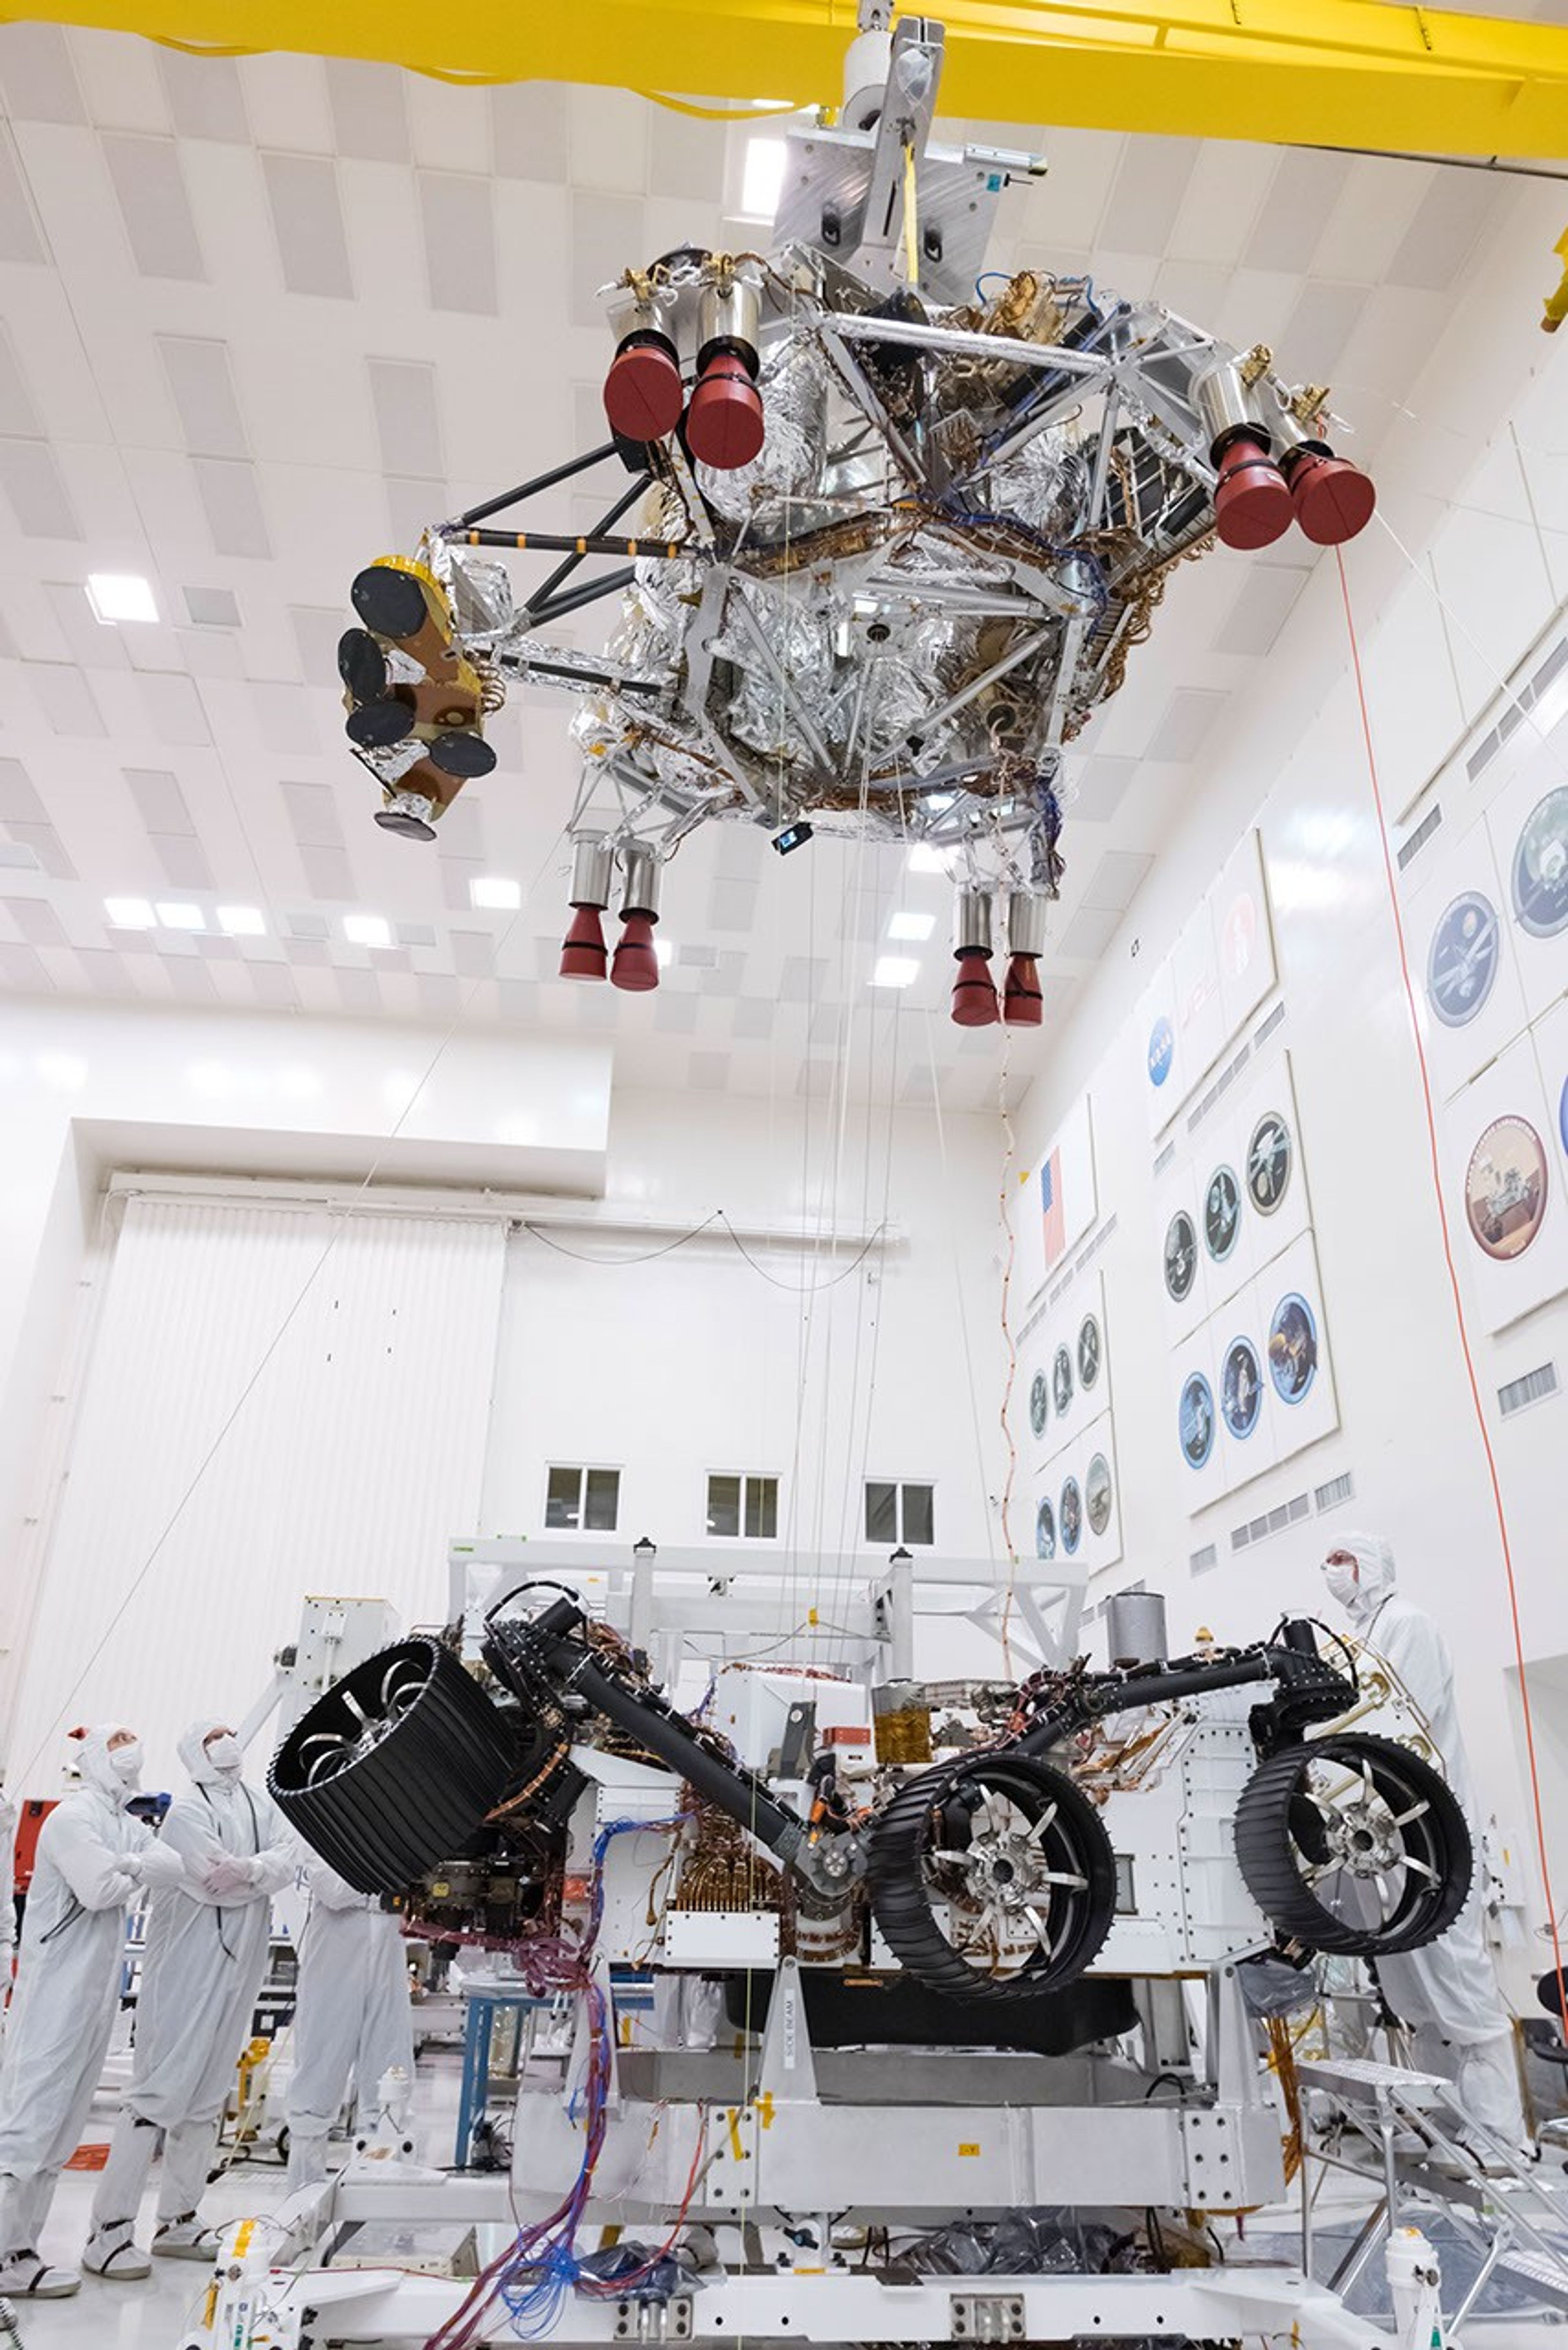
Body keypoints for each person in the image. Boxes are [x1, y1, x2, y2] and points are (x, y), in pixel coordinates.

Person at [1322, 1530, 1527, 2147]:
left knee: (1455, 1976)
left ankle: (1500, 2132)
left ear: (1373, 1565)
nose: (1330, 1570)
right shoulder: (1362, 1637)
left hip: (1428, 1832)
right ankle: (1449, 2120)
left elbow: (1391, 1719)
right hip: (1382, 1832)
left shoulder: (1407, 1624)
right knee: (1413, 1987)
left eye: (1341, 1559)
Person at [83, 1721, 297, 2278]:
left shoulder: (258, 1801)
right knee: (156, 2093)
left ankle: (179, 2218)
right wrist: (258, 1874)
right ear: (193, 1750)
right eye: (214, 1736)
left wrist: (249, 1870)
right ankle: (108, 2232)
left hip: (238, 1966)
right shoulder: (186, 1812)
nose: (227, 1742)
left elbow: (287, 1858)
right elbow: (206, 1879)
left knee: (206, 2099)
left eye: (230, 1733)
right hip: (185, 1968)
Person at [0, 1727, 187, 2297]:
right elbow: (100, 1889)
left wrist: (126, 1861)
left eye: (136, 1737)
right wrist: (134, 1864)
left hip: (93, 1996)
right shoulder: (72, 1818)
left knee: (61, 2132)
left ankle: (22, 2250)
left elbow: (172, 1864)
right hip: (55, 1993)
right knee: (31, 2123)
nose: (132, 1748)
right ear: (93, 1755)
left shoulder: (122, 1820)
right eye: (119, 1740)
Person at [284, 1856, 415, 2191]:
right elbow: (334, 1891)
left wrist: (384, 1891)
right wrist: (383, 1891)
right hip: (335, 1953)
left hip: (388, 1948)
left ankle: (375, 2193)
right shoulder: (324, 1825)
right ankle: (302, 2197)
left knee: (389, 2073)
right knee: (319, 2071)